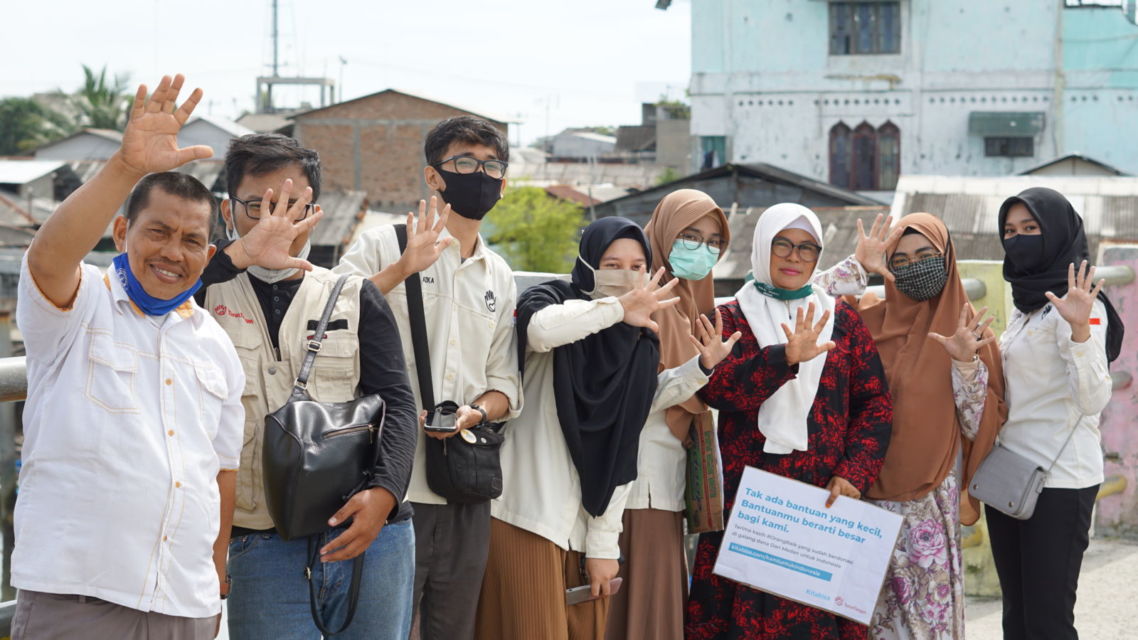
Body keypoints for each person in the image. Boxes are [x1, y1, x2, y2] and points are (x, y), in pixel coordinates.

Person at [12, 75, 244, 639]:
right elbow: (46, 259)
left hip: (183, 603)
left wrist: (213, 582)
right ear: (121, 231)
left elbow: (221, 472)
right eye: (157, 232)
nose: (173, 252)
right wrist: (125, 167)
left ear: (208, 254)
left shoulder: (214, 342)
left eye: (191, 241)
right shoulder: (81, 301)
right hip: (80, 598)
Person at [197, 133, 419, 639]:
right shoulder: (202, 293)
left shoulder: (354, 294)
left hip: (367, 535)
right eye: (257, 205)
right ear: (229, 211)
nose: (276, 220)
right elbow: (150, 307)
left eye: (291, 205)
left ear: (314, 210)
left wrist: (384, 493)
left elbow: (399, 405)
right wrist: (234, 257)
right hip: (257, 542)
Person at [476, 216, 740, 640]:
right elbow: (541, 332)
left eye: (637, 267)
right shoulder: (551, 299)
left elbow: (625, 439)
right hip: (526, 512)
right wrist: (618, 309)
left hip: (581, 524)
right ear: (587, 261)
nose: (626, 276)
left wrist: (602, 548)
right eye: (612, 263)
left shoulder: (639, 342)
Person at [334, 115, 522, 640]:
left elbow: (505, 382)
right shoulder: (382, 243)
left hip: (463, 483)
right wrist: (401, 270)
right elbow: (324, 324)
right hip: (384, 483)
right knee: (377, 627)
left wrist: (475, 412)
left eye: (491, 166)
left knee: (453, 627)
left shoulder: (500, 274)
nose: (480, 175)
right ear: (433, 176)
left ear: (503, 185)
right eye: (465, 162)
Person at [685, 203, 893, 640]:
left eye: (807, 248)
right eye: (783, 244)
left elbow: (874, 405)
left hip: (821, 502)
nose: (794, 257)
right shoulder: (729, 318)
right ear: (763, 246)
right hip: (748, 505)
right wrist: (784, 358)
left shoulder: (841, 320)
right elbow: (717, 390)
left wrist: (853, 473)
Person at [813, 213, 1007, 639]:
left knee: (923, 627)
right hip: (854, 494)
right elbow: (803, 303)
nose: (912, 266)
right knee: (858, 622)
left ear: (947, 258)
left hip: (926, 504)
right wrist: (859, 266)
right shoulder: (863, 317)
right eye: (898, 260)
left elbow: (981, 425)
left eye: (925, 255)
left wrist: (964, 363)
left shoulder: (969, 330)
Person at [985, 187, 1123, 640]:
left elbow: (1093, 400)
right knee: (1017, 618)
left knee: (1047, 623)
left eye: (1031, 229)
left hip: (1060, 481)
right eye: (1010, 231)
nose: (1018, 239)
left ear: (1058, 232)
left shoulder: (1082, 305)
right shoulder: (1028, 306)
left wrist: (1081, 329)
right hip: (1011, 474)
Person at [603, 189, 729, 640]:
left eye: (715, 241)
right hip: (637, 486)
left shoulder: (697, 308)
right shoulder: (641, 301)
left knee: (652, 605)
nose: (704, 249)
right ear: (663, 233)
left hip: (667, 485)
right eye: (690, 235)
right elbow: (634, 395)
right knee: (638, 610)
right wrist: (700, 368)